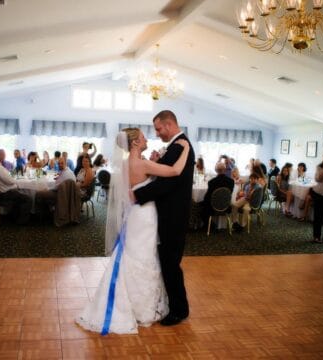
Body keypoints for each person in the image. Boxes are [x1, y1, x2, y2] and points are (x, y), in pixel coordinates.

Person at [76, 126, 190, 334]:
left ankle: (128, 301)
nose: (147, 139)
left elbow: (142, 178)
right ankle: (141, 307)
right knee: (144, 256)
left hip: (134, 215)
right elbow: (175, 171)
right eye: (144, 137)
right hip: (145, 215)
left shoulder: (128, 163)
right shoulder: (143, 163)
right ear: (135, 142)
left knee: (132, 254)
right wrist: (185, 151)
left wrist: (155, 160)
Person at [133, 110, 194, 327]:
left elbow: (168, 183)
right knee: (168, 262)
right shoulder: (178, 146)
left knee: (170, 263)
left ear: (169, 125)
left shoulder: (179, 146)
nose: (157, 134)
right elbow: (166, 173)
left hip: (174, 216)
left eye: (159, 129)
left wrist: (137, 195)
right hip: (169, 213)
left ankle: (179, 310)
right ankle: (176, 305)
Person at [0, 154, 32, 224]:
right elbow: (10, 181)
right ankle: (22, 221)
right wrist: (15, 181)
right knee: (28, 199)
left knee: (20, 195)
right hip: (5, 194)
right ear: (0, 159)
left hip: (0, 193)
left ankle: (15, 216)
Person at [200, 162, 234, 228]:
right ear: (225, 170)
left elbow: (207, 197)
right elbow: (229, 194)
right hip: (226, 206)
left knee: (200, 205)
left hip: (213, 207)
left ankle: (211, 226)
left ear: (216, 170)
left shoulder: (212, 182)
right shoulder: (231, 181)